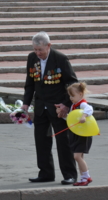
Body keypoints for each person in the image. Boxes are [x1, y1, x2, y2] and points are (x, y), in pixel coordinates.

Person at [21, 31, 78, 185]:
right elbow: (29, 82)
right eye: (35, 49)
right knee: (41, 141)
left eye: (40, 50)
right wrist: (26, 103)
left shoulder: (60, 59)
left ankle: (70, 174)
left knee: (63, 142)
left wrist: (66, 104)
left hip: (58, 108)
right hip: (40, 106)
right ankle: (45, 173)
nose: (38, 53)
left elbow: (72, 83)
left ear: (49, 46)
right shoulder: (32, 58)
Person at [67, 82, 93, 186]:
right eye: (70, 95)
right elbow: (72, 119)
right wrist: (63, 115)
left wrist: (84, 116)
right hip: (76, 133)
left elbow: (89, 108)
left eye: (72, 96)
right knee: (79, 157)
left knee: (77, 157)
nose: (70, 98)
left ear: (80, 95)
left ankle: (87, 176)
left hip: (83, 134)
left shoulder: (82, 104)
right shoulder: (74, 105)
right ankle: (83, 179)